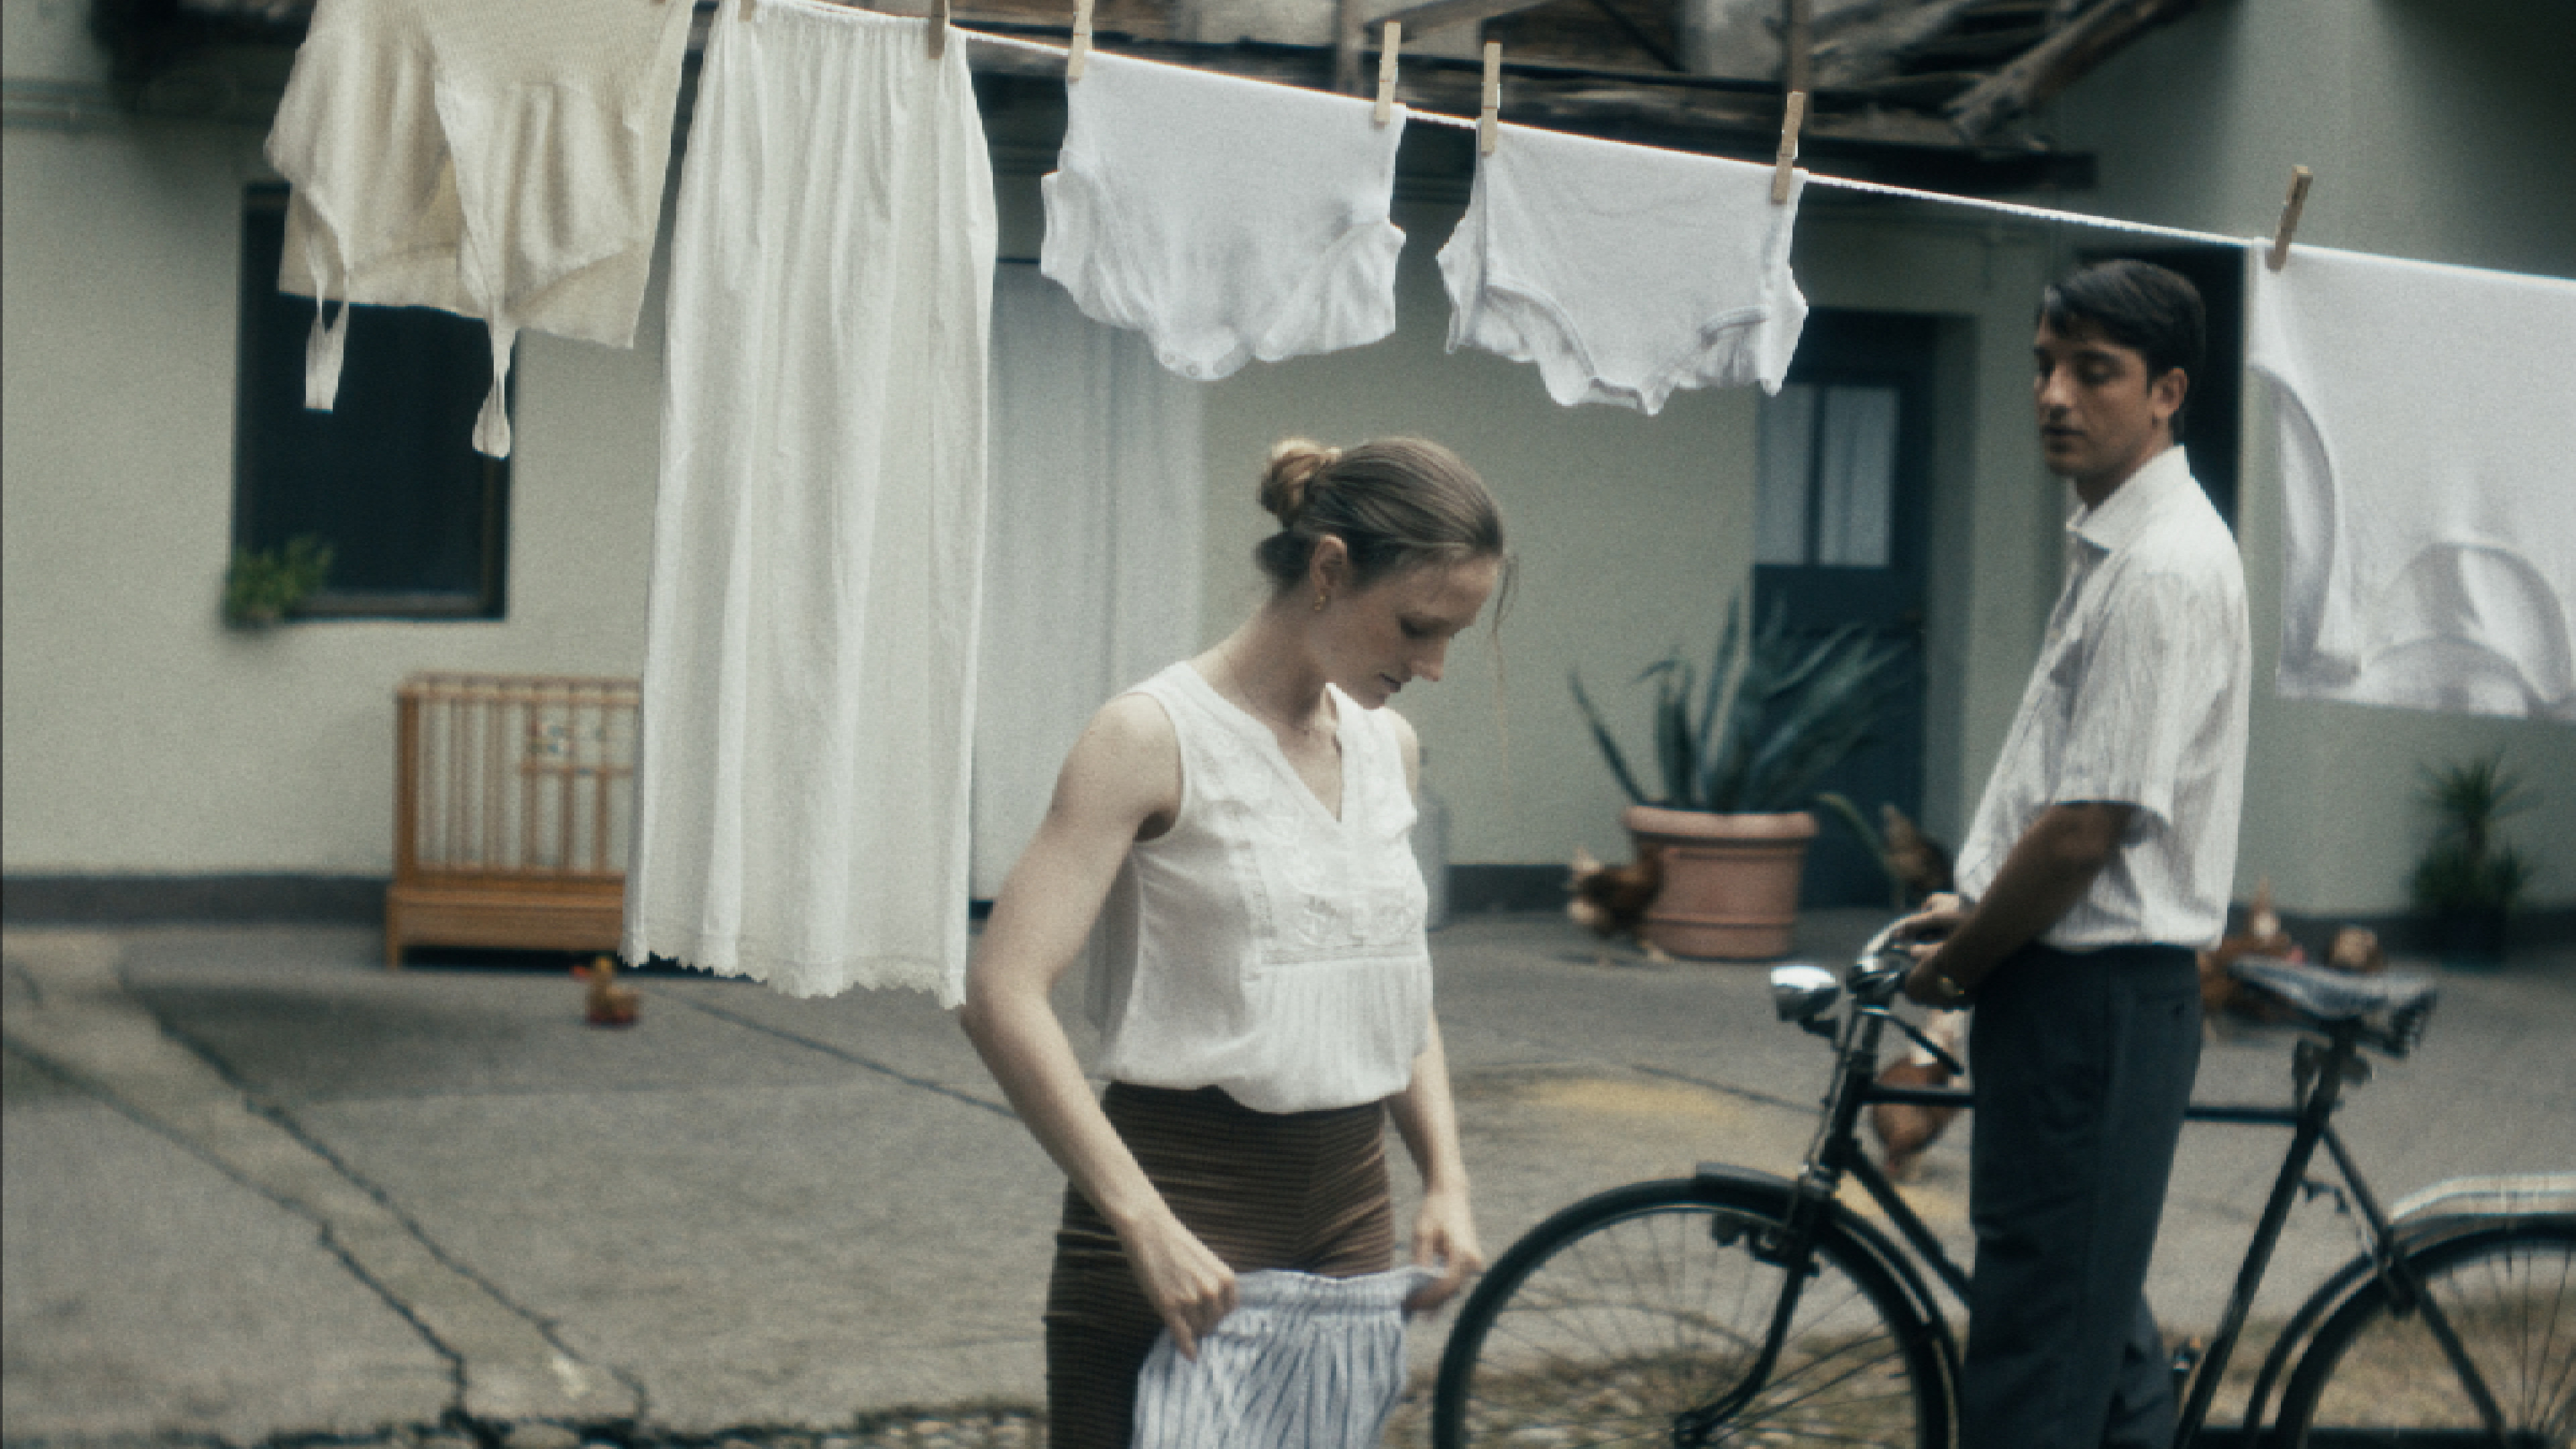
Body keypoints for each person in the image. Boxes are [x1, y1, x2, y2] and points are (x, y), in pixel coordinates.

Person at [959, 437, 1505, 1449]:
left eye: (1452, 639)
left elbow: (1386, 978)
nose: (1432, 666)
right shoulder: (1149, 738)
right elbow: (1002, 991)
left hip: (1350, 1223)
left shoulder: (1387, 747)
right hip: (1181, 1216)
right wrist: (1142, 1222)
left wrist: (1447, 1177)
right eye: (1418, 627)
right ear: (1330, 568)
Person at [1896, 259, 2250, 1447]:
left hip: (2092, 1003)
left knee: (2037, 1354)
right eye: (2045, 365)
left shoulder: (2158, 569)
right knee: (2095, 1340)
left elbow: (2087, 829)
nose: (2055, 395)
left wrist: (1960, 966)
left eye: (2094, 372)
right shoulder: (2114, 540)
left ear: (2167, 393)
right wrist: (1978, 916)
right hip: (2079, 994)